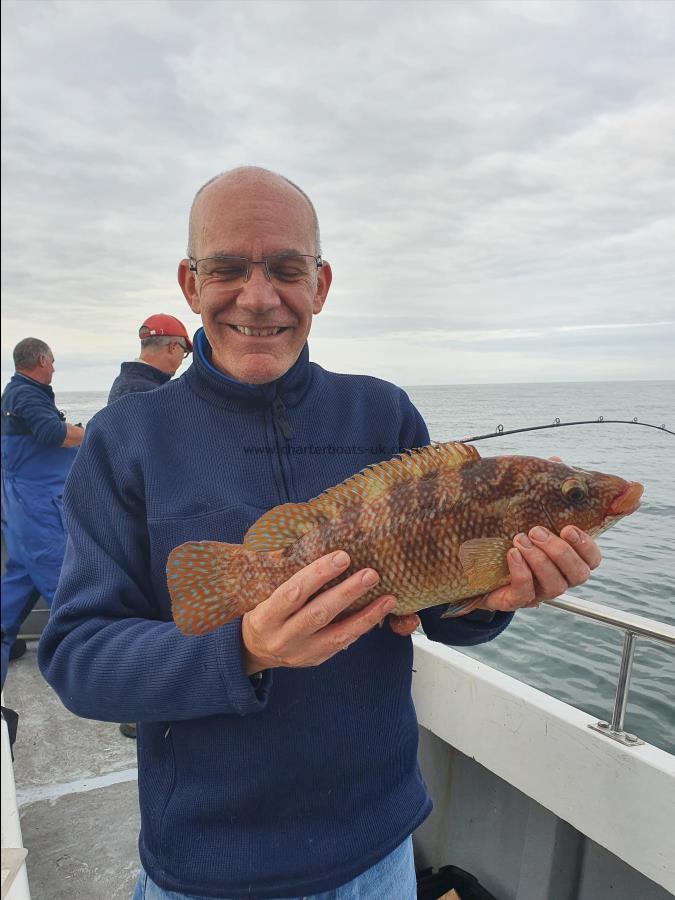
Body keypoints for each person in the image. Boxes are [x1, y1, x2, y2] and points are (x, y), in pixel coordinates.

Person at [39, 168, 602, 900]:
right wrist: (242, 649)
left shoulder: (383, 416)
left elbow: (430, 612)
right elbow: (80, 660)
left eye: (285, 268)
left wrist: (496, 597)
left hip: (381, 847)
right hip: (209, 870)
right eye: (227, 268)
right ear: (189, 283)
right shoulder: (124, 440)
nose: (258, 295)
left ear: (321, 284)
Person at [107, 313, 193, 740]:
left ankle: (138, 710)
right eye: (182, 353)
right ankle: (138, 713)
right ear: (174, 348)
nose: (181, 363)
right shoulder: (147, 397)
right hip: (153, 526)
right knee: (153, 614)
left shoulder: (126, 390)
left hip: (143, 523)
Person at [1, 338, 84, 689]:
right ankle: (90, 666)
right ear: (39, 359)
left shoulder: (17, 394)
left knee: (17, 584)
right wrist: (88, 435)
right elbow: (52, 434)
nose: (53, 367)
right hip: (37, 511)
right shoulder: (26, 394)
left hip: (22, 508)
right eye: (51, 360)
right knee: (66, 587)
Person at [107, 313, 193, 405]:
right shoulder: (152, 393)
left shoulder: (123, 383)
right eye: (184, 352)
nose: (182, 359)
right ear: (173, 347)